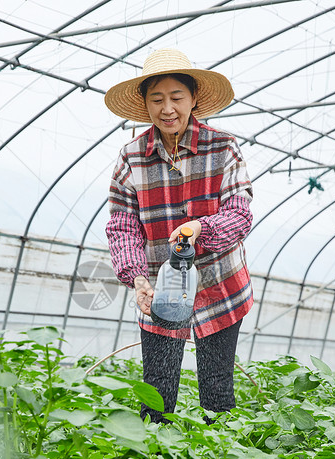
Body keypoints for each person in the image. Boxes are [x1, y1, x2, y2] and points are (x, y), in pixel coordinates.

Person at [104, 48, 254, 424]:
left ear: (193, 100)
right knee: (156, 393)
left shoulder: (222, 148)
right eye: (157, 99)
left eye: (176, 97)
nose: (167, 108)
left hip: (220, 286)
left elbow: (240, 212)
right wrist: (138, 279)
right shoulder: (132, 157)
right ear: (145, 104)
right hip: (161, 289)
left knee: (217, 394)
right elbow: (122, 224)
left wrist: (202, 227)